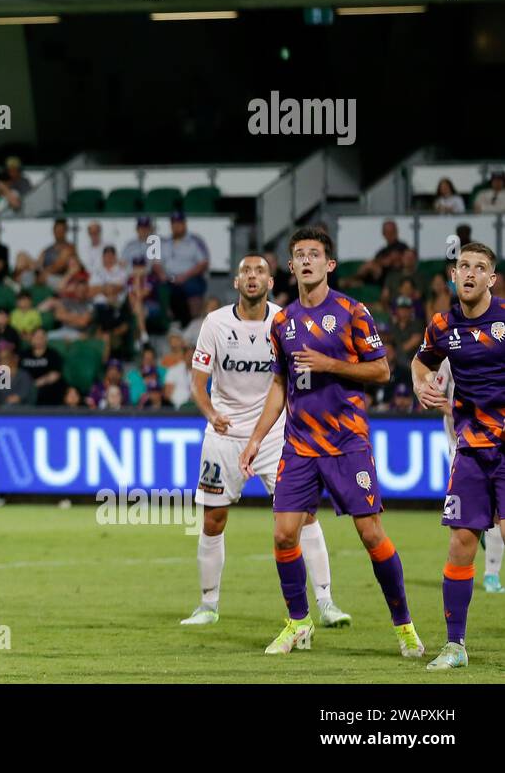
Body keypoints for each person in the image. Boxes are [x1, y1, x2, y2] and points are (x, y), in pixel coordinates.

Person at [239, 226, 422, 658]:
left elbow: (381, 372)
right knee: (284, 535)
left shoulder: (352, 312)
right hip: (300, 446)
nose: (306, 261)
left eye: (314, 254)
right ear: (290, 267)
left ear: (329, 264)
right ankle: (298, 623)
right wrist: (256, 438)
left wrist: (330, 363)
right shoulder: (281, 322)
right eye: (299, 255)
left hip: (347, 443)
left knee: (371, 534)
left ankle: (405, 626)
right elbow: (280, 386)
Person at [181, 254, 350, 627]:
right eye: (245, 272)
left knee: (304, 515)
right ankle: (208, 604)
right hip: (225, 435)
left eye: (259, 271)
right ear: (237, 282)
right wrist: (212, 414)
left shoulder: (285, 322)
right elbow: (197, 381)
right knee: (213, 519)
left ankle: (326, 602)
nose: (252, 277)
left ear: (271, 282)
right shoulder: (216, 323)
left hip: (275, 434)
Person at [411, 242, 505, 669]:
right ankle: (455, 645)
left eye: (479, 267)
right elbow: (420, 360)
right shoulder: (442, 325)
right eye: (463, 265)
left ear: (492, 279)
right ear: (454, 275)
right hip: (470, 450)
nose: (469, 272)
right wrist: (421, 383)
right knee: (461, 543)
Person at [161, 212, 209, 326]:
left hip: (189, 277)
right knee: (159, 287)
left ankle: (193, 323)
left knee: (193, 286)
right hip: (169, 278)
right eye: (174, 224)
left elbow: (203, 263)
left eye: (179, 224)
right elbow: (156, 263)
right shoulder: (164, 242)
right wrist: (162, 275)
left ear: (184, 224)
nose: (176, 227)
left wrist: (185, 276)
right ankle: (170, 324)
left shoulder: (195, 241)